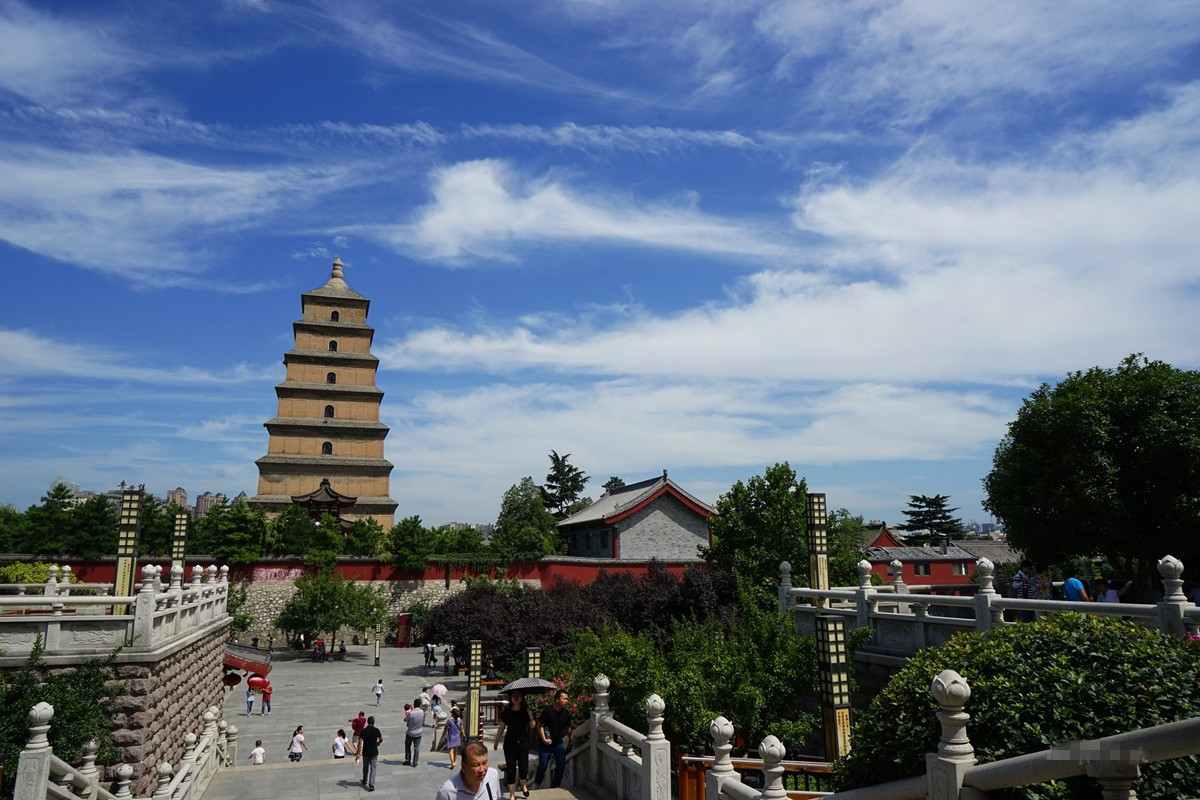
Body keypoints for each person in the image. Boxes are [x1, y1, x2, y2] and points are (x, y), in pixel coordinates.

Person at [494, 689, 535, 800]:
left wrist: (531, 716)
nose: (516, 697)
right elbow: (501, 727)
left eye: (518, 695)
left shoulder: (525, 711)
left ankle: (522, 784)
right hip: (510, 744)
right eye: (514, 695)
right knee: (511, 770)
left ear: (521, 698)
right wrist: (496, 742)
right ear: (511, 698)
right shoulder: (507, 712)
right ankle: (512, 795)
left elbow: (532, 726)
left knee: (523, 769)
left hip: (523, 744)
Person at [533, 689, 573, 789]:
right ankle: (536, 784)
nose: (566, 701)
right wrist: (544, 739)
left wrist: (570, 739)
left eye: (567, 699)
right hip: (545, 744)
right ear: (557, 699)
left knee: (561, 763)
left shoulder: (566, 713)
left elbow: (568, 727)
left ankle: (555, 786)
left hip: (558, 743)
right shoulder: (547, 711)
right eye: (564, 699)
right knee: (543, 766)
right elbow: (540, 725)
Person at [437, 742, 502, 800]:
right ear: (464, 767)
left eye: (485, 763)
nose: (482, 770)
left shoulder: (492, 776)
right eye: (476, 765)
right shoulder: (447, 792)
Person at [356, 714, 383, 792]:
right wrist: (378, 743)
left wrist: (358, 752)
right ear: (374, 722)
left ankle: (364, 781)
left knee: (365, 767)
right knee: (373, 768)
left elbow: (360, 742)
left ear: (367, 722)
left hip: (366, 752)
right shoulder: (376, 730)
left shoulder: (363, 731)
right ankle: (371, 785)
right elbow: (381, 739)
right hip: (374, 752)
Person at [404, 696, 425, 766]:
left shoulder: (411, 713)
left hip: (410, 732)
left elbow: (405, 719)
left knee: (407, 746)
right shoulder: (422, 712)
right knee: (416, 748)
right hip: (419, 733)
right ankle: (415, 762)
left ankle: (408, 760)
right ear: (420, 705)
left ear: (414, 704)